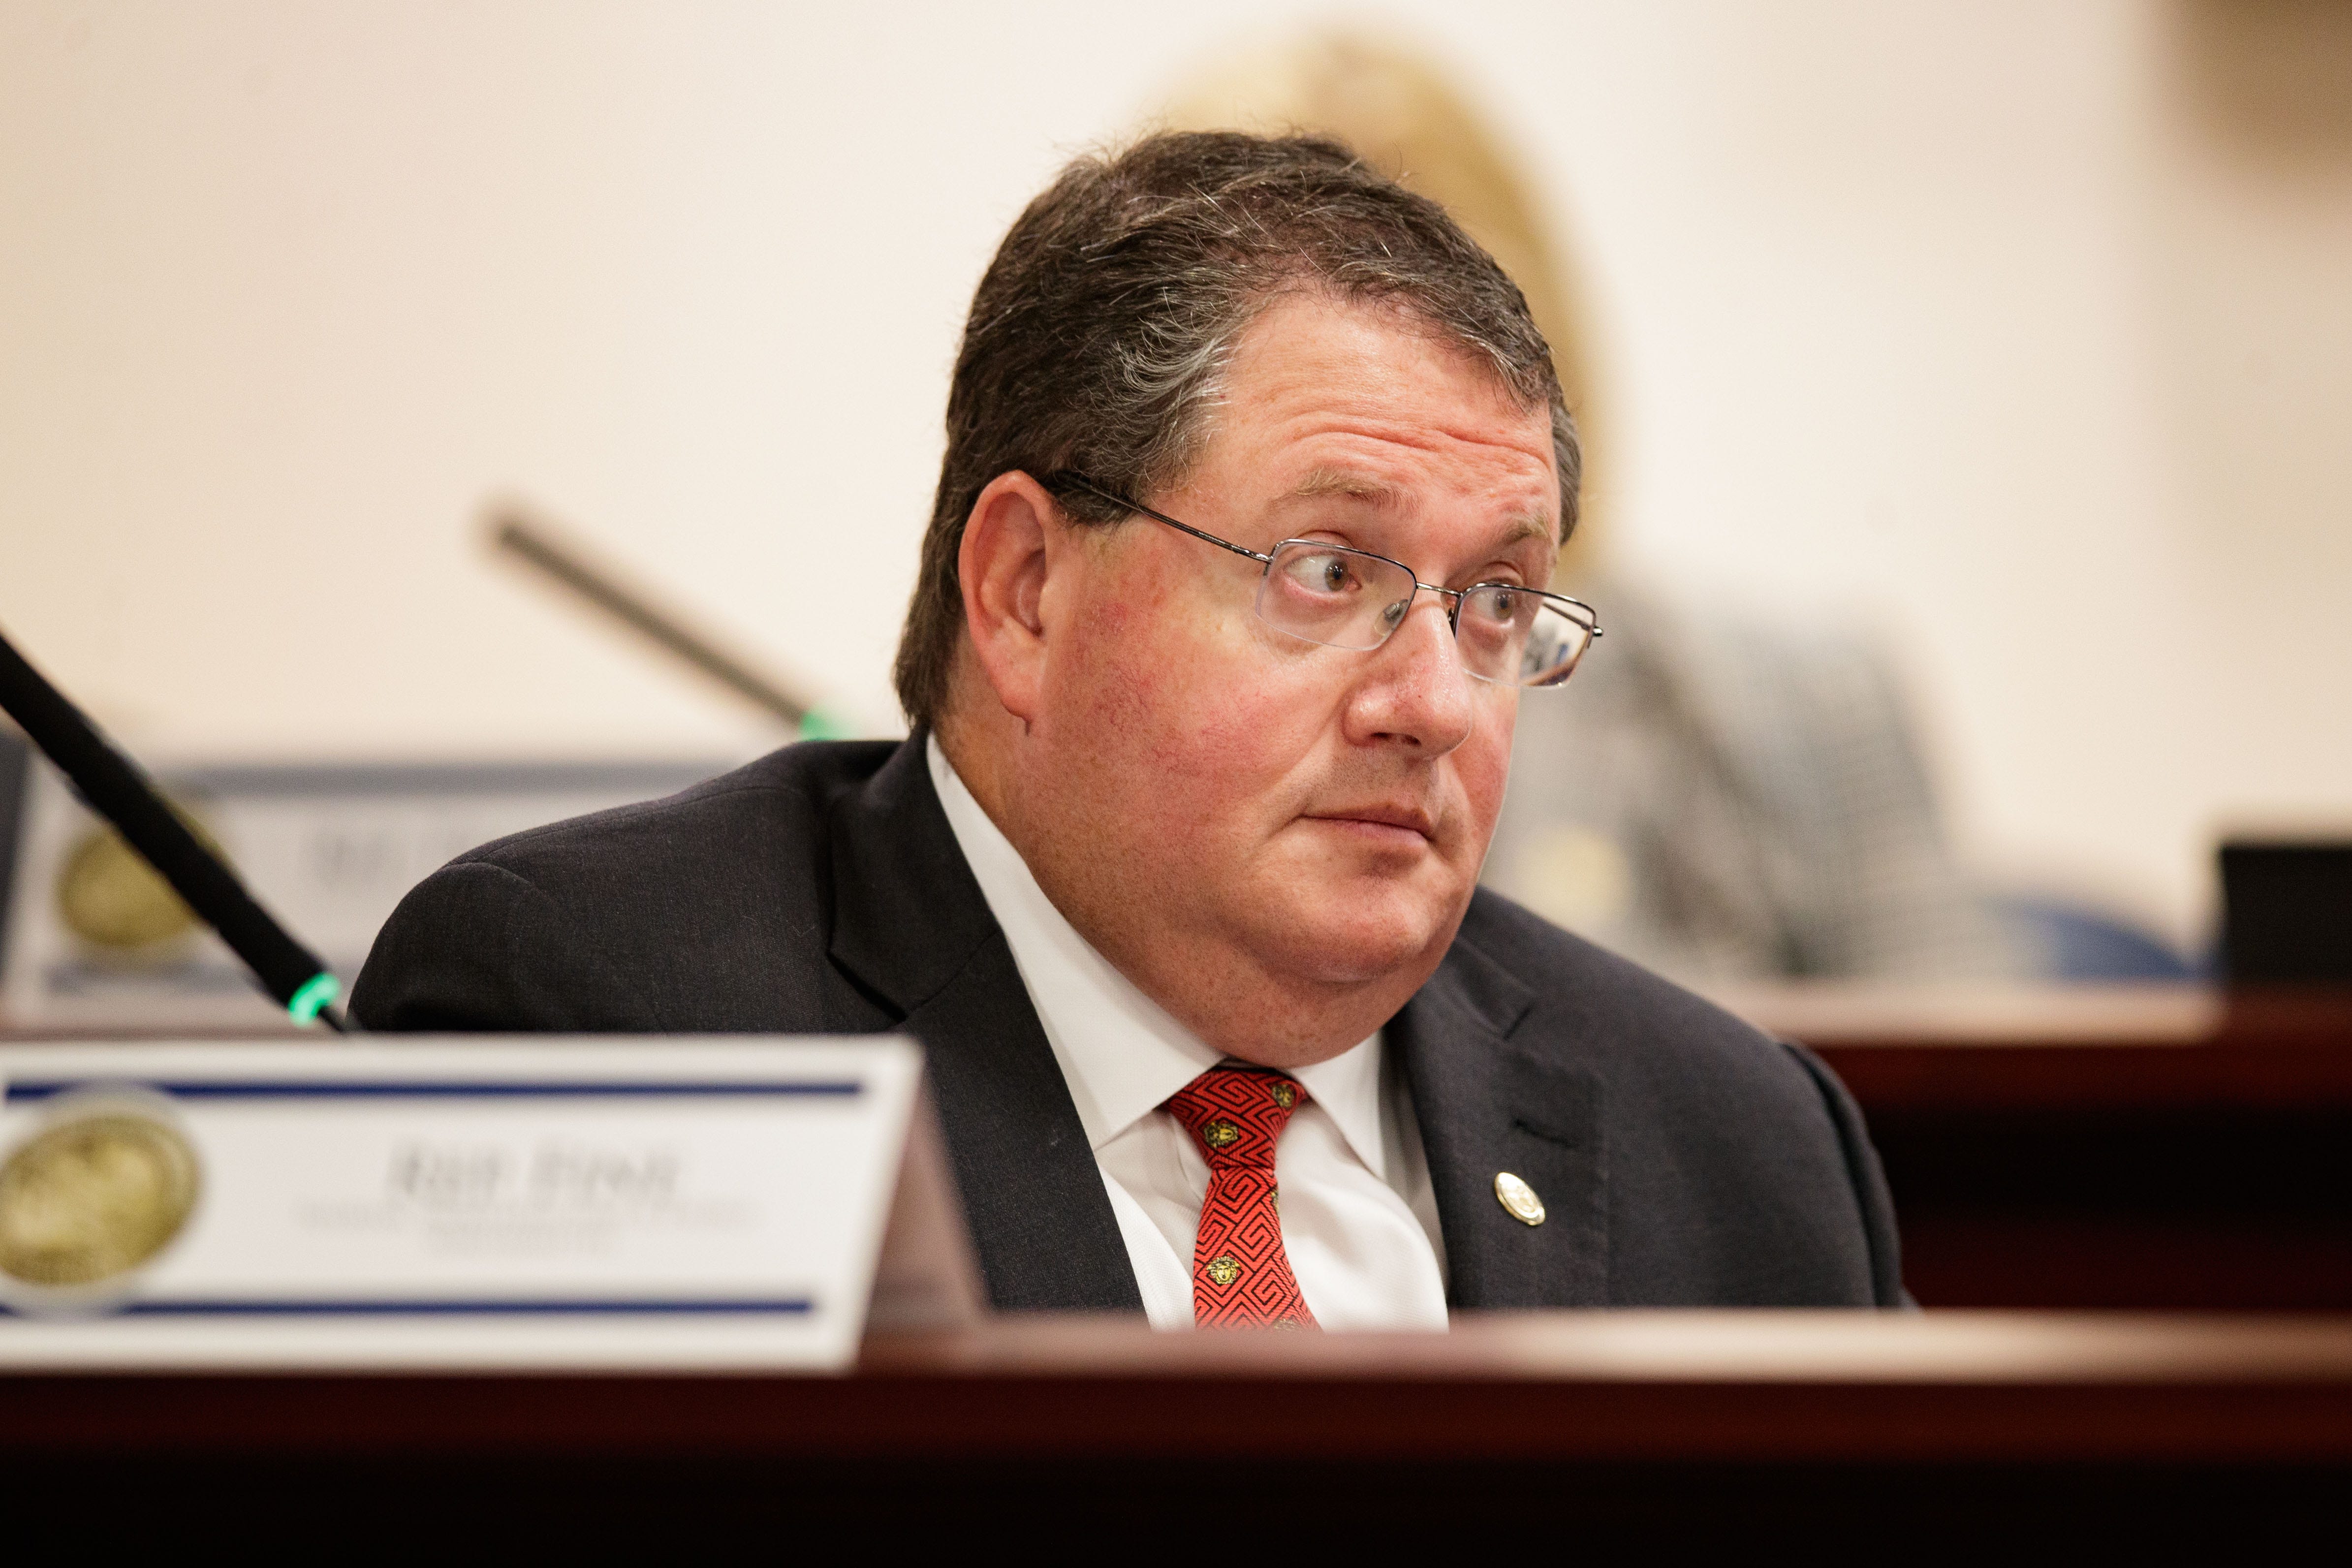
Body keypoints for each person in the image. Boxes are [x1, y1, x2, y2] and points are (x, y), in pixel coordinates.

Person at [353, 132, 1903, 1322]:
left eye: (1494, 602)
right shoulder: (606, 1030)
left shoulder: (1734, 1150)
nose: (1431, 699)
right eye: (1326, 571)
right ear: (1024, 591)